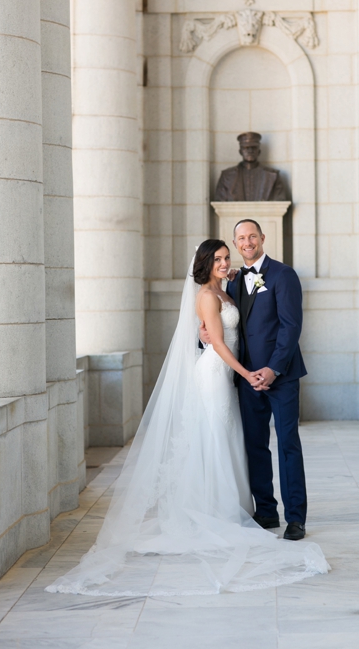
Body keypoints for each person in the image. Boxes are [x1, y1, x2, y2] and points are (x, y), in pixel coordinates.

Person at [47, 240, 328, 596]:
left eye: (228, 257)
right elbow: (220, 344)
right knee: (213, 436)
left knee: (230, 439)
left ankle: (252, 510)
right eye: (219, 258)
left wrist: (238, 358)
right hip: (219, 374)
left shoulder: (232, 287)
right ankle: (217, 510)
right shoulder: (208, 297)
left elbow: (246, 324)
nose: (226, 262)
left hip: (238, 376)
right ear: (206, 263)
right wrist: (244, 372)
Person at [204, 219, 311, 541]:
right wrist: (204, 335)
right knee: (254, 446)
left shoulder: (283, 274)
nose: (247, 242)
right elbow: (227, 328)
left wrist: (273, 369)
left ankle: (296, 518)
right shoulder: (232, 281)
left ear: (263, 238)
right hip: (246, 378)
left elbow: (290, 326)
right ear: (236, 244)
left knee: (288, 445)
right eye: (241, 238)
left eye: (252, 236)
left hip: (282, 376)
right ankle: (266, 511)